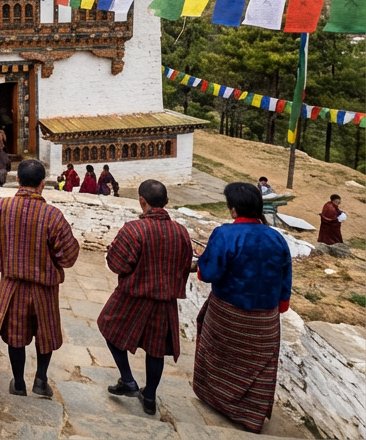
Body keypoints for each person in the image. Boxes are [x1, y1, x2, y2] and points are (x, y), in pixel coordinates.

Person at [193, 182, 292, 433]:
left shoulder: (225, 234)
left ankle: (218, 398)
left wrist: (201, 266)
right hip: (265, 318)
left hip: (228, 313)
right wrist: (281, 304)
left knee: (219, 354)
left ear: (234, 209)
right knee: (258, 365)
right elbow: (285, 277)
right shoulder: (277, 238)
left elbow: (210, 272)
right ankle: (251, 414)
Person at [0, 158, 80, 399]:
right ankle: (40, 379)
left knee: (15, 336)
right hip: (44, 288)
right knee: (45, 334)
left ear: (17, 180)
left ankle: (18, 383)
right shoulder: (53, 216)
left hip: (12, 285)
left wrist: (7, 258)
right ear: (42, 183)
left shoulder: (0, 208)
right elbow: (69, 255)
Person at [97, 180, 193, 416]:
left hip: (133, 297)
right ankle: (149, 396)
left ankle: (128, 380)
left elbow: (117, 264)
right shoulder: (181, 232)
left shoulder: (134, 230)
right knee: (155, 349)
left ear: (142, 201)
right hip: (165, 301)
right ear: (166, 202)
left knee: (109, 328)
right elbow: (185, 265)